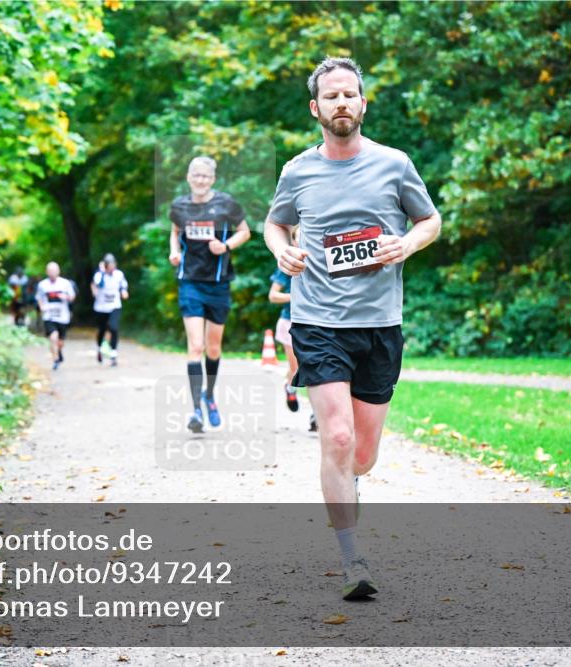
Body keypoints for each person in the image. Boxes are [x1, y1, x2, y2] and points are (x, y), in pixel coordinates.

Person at [263, 57, 441, 600]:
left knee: (362, 453)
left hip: (380, 325)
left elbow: (429, 220)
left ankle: (352, 481)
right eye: (331, 96)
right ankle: (352, 560)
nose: (342, 103)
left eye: (350, 94)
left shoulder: (394, 164)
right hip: (317, 321)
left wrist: (405, 244)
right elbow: (275, 222)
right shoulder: (298, 171)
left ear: (363, 104)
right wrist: (283, 249)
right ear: (316, 108)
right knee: (336, 437)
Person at [169, 156, 251, 433]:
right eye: (196, 175)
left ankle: (209, 396)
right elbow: (175, 231)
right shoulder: (180, 205)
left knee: (213, 347)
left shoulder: (226, 203)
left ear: (212, 179)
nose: (200, 180)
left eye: (205, 176)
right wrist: (175, 251)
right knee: (195, 346)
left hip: (218, 283)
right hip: (190, 281)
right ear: (188, 176)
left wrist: (225, 246)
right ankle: (195, 410)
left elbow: (245, 232)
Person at [267, 227, 317, 430]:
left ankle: (316, 416)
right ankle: (290, 387)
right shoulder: (287, 264)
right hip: (289, 322)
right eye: (299, 238)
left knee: (317, 370)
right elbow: (273, 296)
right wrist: (295, 296)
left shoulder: (319, 263)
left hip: (315, 322)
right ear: (294, 241)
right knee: (297, 369)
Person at [36, 262, 77, 370]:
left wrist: (66, 297)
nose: (52, 273)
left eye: (54, 271)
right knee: (53, 337)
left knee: (60, 341)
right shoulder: (42, 285)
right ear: (47, 272)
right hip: (49, 316)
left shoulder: (65, 283)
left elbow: (72, 297)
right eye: (50, 271)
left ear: (58, 271)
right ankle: (55, 359)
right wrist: (41, 307)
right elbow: (39, 298)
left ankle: (59, 351)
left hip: (63, 316)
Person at [92, 253, 129, 366]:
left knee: (114, 328)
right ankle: (99, 348)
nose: (112, 267)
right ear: (106, 265)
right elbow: (100, 285)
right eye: (110, 265)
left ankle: (113, 353)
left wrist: (123, 291)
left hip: (114, 306)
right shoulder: (99, 275)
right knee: (102, 330)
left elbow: (123, 285)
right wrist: (103, 271)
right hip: (101, 308)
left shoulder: (119, 274)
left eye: (114, 264)